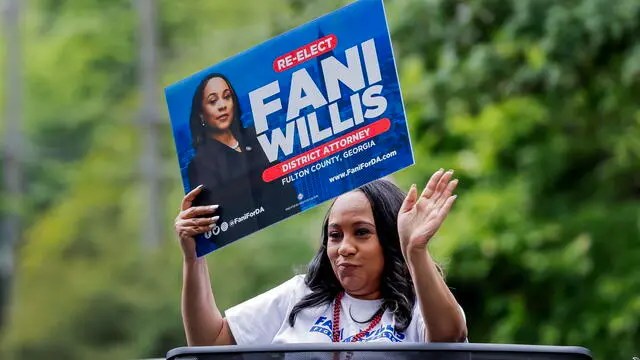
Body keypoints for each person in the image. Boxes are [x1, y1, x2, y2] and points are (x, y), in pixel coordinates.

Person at [174, 168, 468, 345]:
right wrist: (194, 258)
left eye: (362, 232)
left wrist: (415, 249)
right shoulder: (300, 294)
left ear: (391, 240)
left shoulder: (421, 305)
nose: (344, 248)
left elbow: (450, 338)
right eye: (335, 235)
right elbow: (209, 344)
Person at [186, 73, 300, 247]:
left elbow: (287, 191)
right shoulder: (199, 164)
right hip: (250, 248)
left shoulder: (255, 136)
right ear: (201, 115)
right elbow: (220, 225)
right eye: (212, 101)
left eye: (227, 97)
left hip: (289, 232)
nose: (222, 105)